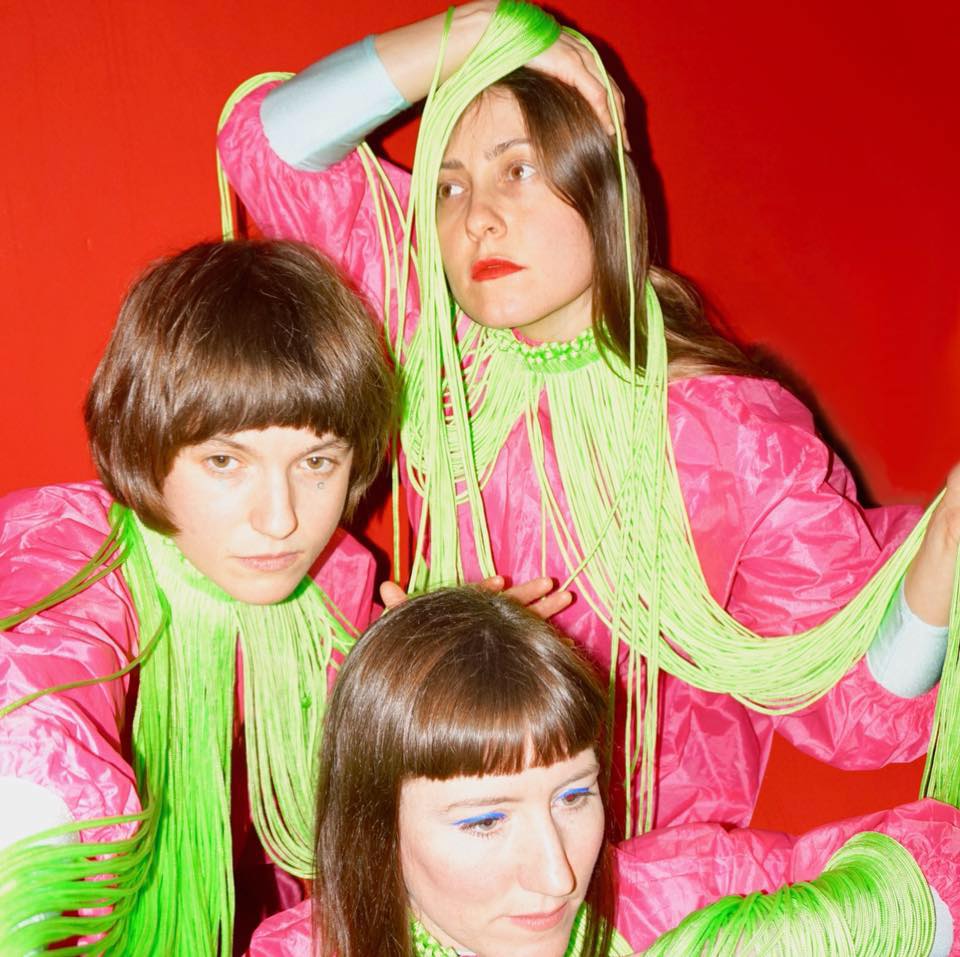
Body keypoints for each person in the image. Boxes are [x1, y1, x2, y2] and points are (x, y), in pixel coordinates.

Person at [216, 0, 959, 835]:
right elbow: (265, 144)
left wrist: (944, 548)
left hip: (617, 845)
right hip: (430, 804)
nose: (477, 217)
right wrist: (483, 28)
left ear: (602, 185)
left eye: (518, 170)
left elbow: (854, 705)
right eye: (450, 186)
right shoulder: (437, 346)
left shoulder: (725, 435)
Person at [0, 239, 395, 954]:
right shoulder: (74, 549)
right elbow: (33, 685)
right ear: (144, 444)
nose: (280, 519)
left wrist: (451, 665)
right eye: (224, 459)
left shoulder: (335, 581)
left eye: (316, 461)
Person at [245, 587, 959, 956]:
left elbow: (938, 860)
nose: (557, 875)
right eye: (486, 820)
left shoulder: (676, 889)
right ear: (374, 825)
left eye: (573, 795)